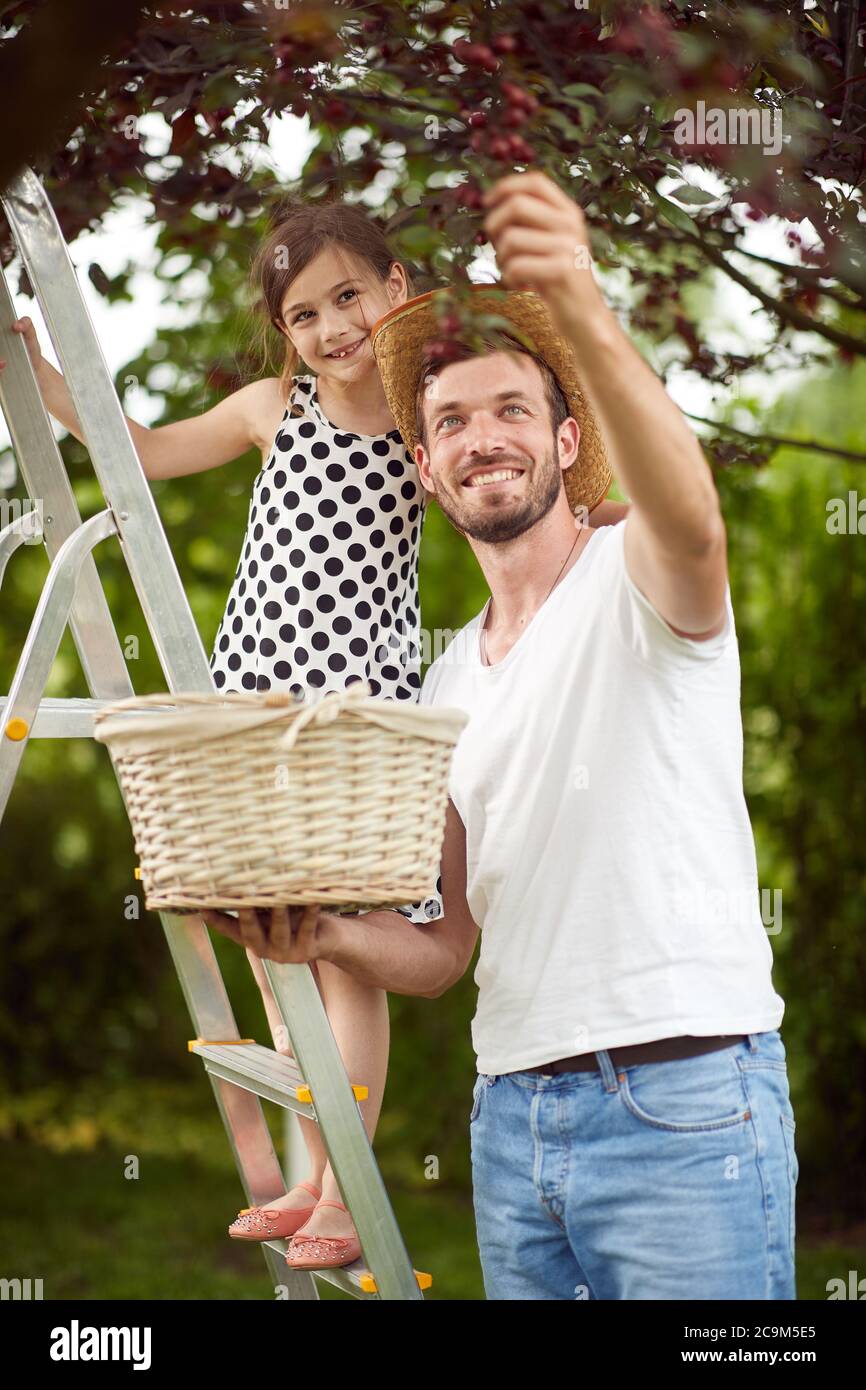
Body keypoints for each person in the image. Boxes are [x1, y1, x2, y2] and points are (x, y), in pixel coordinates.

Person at [0, 193, 630, 1272]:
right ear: (283, 335)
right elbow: (136, 451)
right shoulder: (270, 408)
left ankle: (342, 1192)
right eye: (302, 313)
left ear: (394, 291)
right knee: (263, 932)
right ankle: (306, 1174)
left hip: (349, 716)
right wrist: (36, 358)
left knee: (349, 959)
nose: (331, 327)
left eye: (349, 296)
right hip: (253, 697)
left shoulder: (424, 425)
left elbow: (545, 499)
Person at [203, 170, 797, 1300]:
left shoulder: (638, 581)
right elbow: (437, 953)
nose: (483, 439)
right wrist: (315, 934)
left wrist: (574, 299)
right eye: (452, 421)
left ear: (568, 441)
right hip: (513, 1120)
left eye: (512, 410)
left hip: (679, 1102)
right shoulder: (437, 689)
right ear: (422, 471)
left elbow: (688, 512)